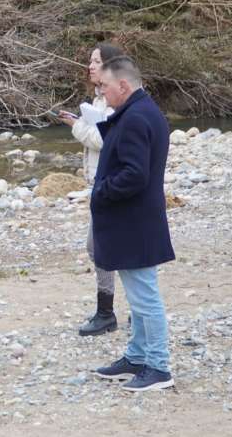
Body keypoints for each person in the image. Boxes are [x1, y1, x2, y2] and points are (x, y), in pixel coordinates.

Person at [90, 57, 176, 392]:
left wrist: (101, 191)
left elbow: (134, 174)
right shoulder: (142, 111)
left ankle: (158, 367)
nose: (102, 92)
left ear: (123, 85)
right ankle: (137, 356)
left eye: (105, 86)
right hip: (138, 221)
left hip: (134, 222)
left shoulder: (136, 117)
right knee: (139, 295)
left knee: (145, 298)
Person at [58, 43, 125, 336]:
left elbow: (103, 140)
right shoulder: (99, 98)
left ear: (110, 66)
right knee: (103, 247)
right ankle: (114, 310)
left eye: (96, 61)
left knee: (101, 247)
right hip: (101, 184)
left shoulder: (115, 98)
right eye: (90, 61)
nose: (90, 66)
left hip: (111, 184)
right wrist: (79, 122)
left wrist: (76, 126)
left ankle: (108, 312)